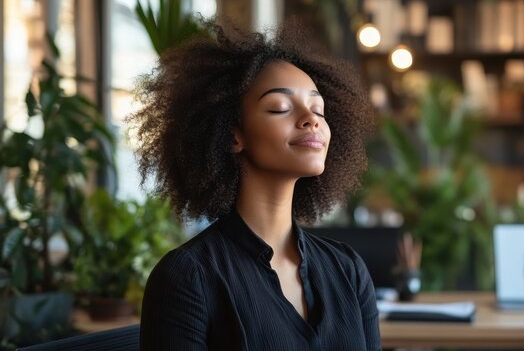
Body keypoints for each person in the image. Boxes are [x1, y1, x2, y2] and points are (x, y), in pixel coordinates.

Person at [132, 18, 380, 350]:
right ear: (233, 135)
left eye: (318, 109)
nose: (311, 119)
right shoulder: (188, 277)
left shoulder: (348, 271)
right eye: (280, 107)